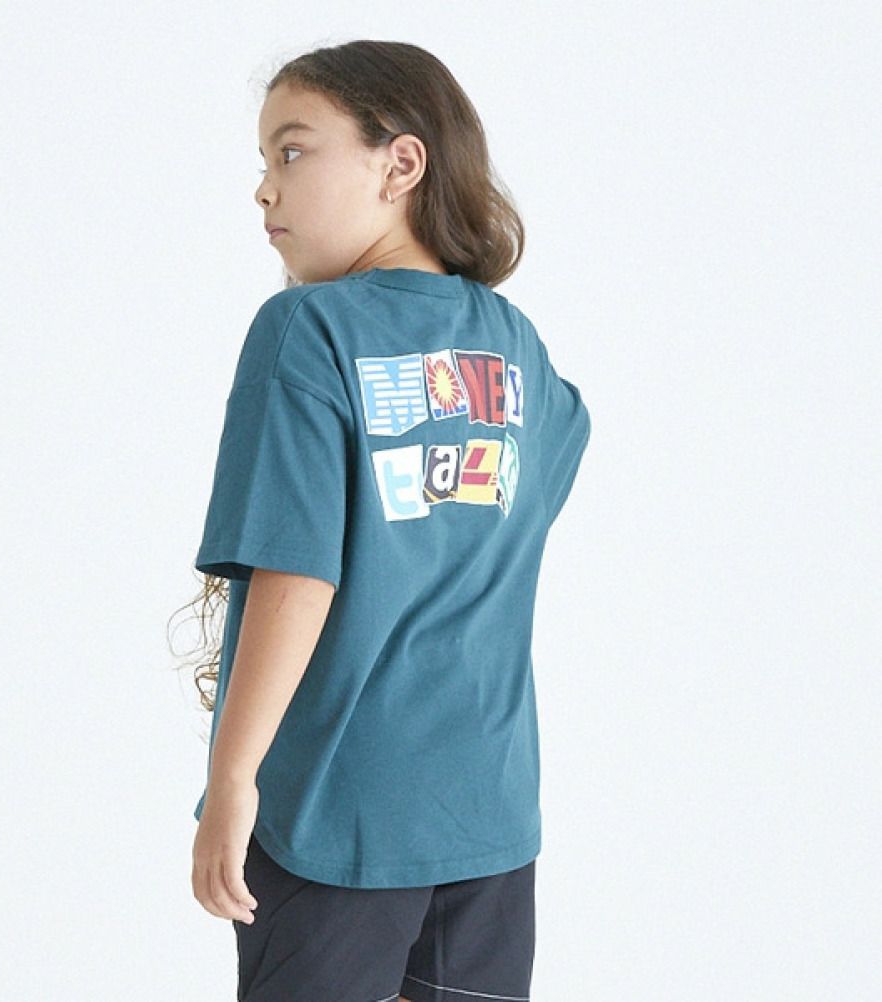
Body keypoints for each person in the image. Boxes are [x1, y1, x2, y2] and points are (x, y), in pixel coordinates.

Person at [188, 39, 591, 1002]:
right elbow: (550, 464)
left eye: (292, 151)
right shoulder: (516, 345)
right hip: (489, 808)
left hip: (340, 811)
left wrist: (232, 780)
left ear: (400, 164)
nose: (264, 189)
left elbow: (297, 570)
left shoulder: (308, 329)